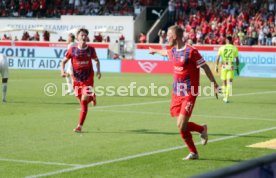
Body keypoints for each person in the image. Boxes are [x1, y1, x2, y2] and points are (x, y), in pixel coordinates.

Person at [149, 25, 219, 160]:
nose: (166, 37)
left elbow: (204, 66)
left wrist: (214, 84)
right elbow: (165, 53)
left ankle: (200, 134)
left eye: (168, 35)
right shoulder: (173, 50)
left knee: (181, 125)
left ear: (175, 36)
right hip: (176, 93)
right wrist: (155, 51)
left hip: (189, 92)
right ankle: (196, 148)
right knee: (183, 125)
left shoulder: (191, 51)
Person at [60, 28, 101, 133]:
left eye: (85, 35)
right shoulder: (72, 50)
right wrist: (62, 71)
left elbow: (96, 60)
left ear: (87, 37)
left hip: (88, 79)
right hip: (76, 79)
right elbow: (63, 62)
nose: (83, 37)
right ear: (77, 37)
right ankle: (92, 97)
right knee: (80, 100)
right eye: (81, 35)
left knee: (83, 102)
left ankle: (80, 126)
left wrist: (98, 71)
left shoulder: (91, 49)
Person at [215, 36, 239, 103]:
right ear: (231, 41)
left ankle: (224, 95)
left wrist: (216, 66)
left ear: (226, 40)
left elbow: (218, 58)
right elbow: (237, 59)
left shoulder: (222, 48)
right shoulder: (234, 48)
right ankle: (226, 98)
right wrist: (237, 67)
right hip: (230, 66)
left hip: (224, 66)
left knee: (224, 82)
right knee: (229, 82)